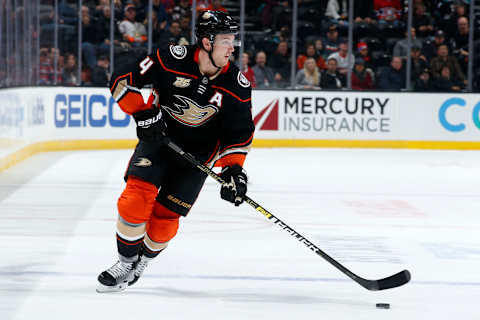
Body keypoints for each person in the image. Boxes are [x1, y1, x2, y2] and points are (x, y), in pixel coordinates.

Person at [97, 10, 255, 293]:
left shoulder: (237, 86)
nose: (233, 47)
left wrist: (233, 170)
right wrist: (143, 114)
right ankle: (124, 261)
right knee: (135, 199)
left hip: (196, 159)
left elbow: (239, 133)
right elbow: (121, 78)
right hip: (159, 142)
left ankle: (142, 261)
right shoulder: (172, 58)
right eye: (226, 40)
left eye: (234, 40)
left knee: (165, 220)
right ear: (207, 42)